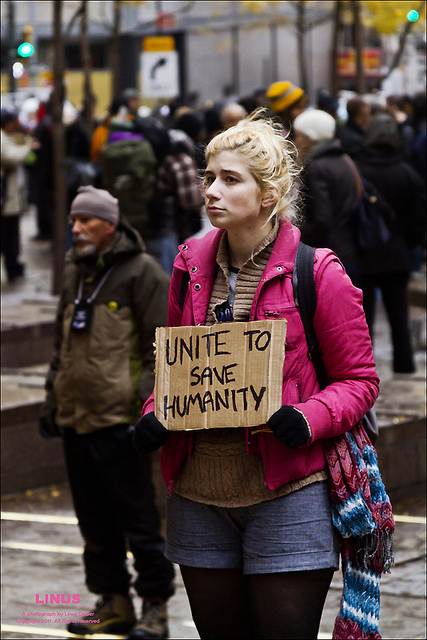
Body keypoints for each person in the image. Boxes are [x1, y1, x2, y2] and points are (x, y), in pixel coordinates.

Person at [132, 110, 380, 639]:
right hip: (198, 492)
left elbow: (360, 381)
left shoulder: (319, 272)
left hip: (289, 490)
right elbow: (178, 366)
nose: (210, 191)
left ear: (269, 195)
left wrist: (308, 417)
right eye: (208, 177)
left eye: (229, 179)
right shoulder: (189, 264)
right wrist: (154, 414)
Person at [39, 186, 175, 639]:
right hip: (77, 419)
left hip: (121, 423)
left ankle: (155, 607)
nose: (75, 228)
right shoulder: (73, 272)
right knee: (93, 521)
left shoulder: (142, 272)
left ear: (110, 225)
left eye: (84, 220)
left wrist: (144, 407)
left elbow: (161, 348)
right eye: (73, 220)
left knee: (138, 520)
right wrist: (51, 399)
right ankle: (111, 601)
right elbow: (62, 342)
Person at [353, 112, 426, 374]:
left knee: (364, 317)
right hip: (398, 256)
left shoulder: (358, 171)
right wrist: (410, 245)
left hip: (365, 253)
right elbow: (419, 219)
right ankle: (404, 365)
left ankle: (364, 371)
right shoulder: (408, 174)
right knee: (399, 314)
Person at [292, 108, 362, 285]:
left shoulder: (316, 167)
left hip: (328, 256)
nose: (296, 141)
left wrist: (292, 234)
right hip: (350, 251)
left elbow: (322, 220)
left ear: (310, 138)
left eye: (299, 136)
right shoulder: (344, 159)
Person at [1, 108, 40, 282]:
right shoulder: (1, 138)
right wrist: (28, 147)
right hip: (5, 197)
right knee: (9, 235)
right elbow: (13, 157)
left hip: (9, 196)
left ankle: (14, 267)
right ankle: (13, 269)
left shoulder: (7, 136)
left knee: (11, 233)